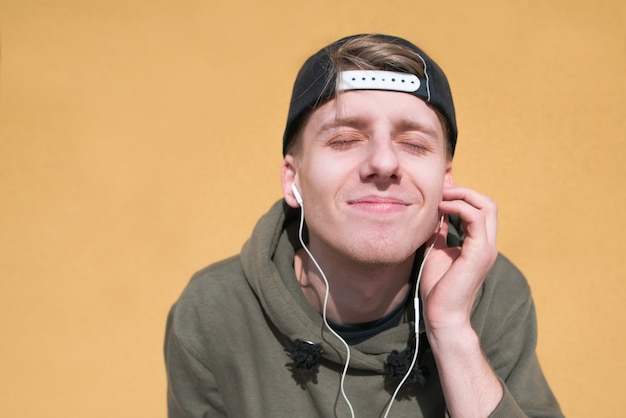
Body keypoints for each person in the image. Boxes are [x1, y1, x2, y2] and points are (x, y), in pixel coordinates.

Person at [164, 34, 563, 418]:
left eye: (414, 143)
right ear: (293, 178)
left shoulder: (492, 293)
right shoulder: (213, 310)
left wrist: (452, 331)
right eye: (344, 139)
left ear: (445, 182)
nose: (384, 164)